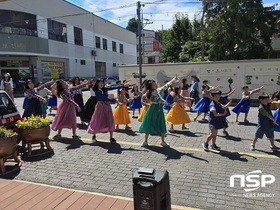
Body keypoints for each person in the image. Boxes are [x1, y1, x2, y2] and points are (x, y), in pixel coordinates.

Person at [139, 75, 179, 147]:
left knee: (161, 123)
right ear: (151, 87)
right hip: (153, 108)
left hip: (159, 108)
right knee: (149, 123)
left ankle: (163, 141)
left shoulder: (159, 90)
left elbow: (166, 86)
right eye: (153, 85)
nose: (155, 85)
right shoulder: (151, 93)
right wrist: (168, 104)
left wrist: (173, 79)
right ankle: (145, 141)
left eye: (155, 84)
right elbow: (160, 99)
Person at [87, 79, 127, 143]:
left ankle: (111, 137)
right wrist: (115, 100)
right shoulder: (96, 90)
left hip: (107, 106)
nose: (101, 84)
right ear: (97, 84)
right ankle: (94, 135)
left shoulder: (104, 89)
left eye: (102, 83)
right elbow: (104, 98)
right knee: (97, 120)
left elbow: (112, 87)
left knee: (110, 119)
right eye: (100, 83)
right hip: (100, 106)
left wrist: (122, 85)